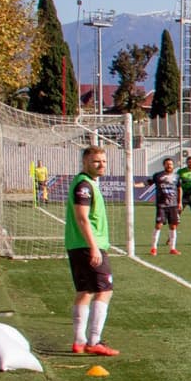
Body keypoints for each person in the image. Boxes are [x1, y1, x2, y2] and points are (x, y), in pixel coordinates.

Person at [65, 144, 117, 356]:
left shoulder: (86, 183)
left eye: (104, 161)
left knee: (85, 292)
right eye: (97, 161)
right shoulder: (84, 185)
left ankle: (79, 341)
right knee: (105, 290)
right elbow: (82, 217)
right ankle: (94, 340)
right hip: (88, 245)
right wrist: (94, 247)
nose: (101, 165)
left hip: (79, 245)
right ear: (86, 162)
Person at [147, 156, 183, 255]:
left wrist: (180, 202)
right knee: (158, 225)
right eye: (167, 164)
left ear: (173, 166)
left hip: (173, 205)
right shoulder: (158, 175)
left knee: (173, 226)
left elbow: (179, 189)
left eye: (171, 164)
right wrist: (135, 185)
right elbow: (148, 183)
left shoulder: (177, 176)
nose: (169, 166)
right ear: (164, 165)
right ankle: (154, 248)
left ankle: (172, 248)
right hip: (161, 205)